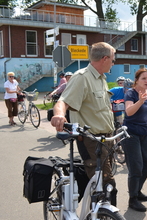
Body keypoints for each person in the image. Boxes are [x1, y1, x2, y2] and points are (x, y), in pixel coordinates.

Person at [51, 42, 118, 205]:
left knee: (97, 185)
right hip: (91, 140)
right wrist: (59, 115)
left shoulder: (101, 78)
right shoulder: (82, 77)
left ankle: (94, 212)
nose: (113, 63)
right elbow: (63, 102)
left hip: (106, 139)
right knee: (108, 186)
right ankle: (105, 214)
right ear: (104, 58)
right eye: (113, 60)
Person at [122, 68, 147, 212]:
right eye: (144, 78)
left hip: (144, 133)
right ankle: (132, 199)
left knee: (146, 166)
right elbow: (129, 112)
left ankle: (137, 191)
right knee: (136, 167)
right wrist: (140, 101)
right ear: (137, 80)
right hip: (130, 134)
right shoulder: (131, 93)